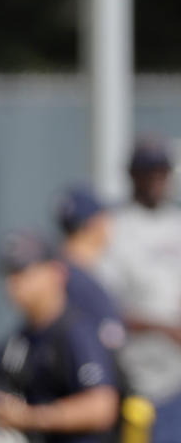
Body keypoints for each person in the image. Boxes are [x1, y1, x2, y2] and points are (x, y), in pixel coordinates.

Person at [0, 230, 120, 443]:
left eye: (22, 271)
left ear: (55, 273)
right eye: (7, 273)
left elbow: (101, 408)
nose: (12, 283)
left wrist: (29, 417)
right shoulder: (22, 337)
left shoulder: (75, 330)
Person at [97, 136, 181, 442]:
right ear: (133, 174)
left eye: (162, 171)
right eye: (149, 171)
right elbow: (105, 308)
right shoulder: (115, 228)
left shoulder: (176, 223)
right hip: (136, 380)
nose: (157, 179)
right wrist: (162, 328)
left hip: (177, 377)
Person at [54, 185, 126, 355]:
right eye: (105, 218)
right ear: (94, 224)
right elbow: (112, 340)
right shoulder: (79, 281)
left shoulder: (56, 269)